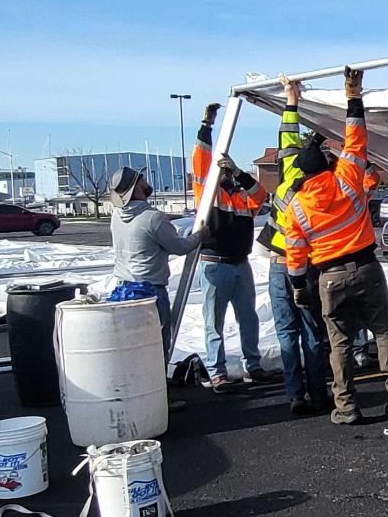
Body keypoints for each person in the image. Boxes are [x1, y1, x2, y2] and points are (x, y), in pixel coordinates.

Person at [281, 67, 388, 425]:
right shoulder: (347, 179)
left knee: (338, 343)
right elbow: (356, 140)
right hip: (367, 267)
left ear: (303, 176)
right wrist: (353, 95)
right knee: (382, 329)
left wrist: (298, 287)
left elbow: (295, 252)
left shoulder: (297, 207)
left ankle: (347, 406)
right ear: (326, 167)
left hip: (330, 277)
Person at [254, 76, 332, 415]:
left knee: (287, 333)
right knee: (313, 331)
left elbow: (286, 139)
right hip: (305, 268)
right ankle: (318, 393)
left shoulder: (286, 182)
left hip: (277, 265)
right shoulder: (321, 197)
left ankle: (294, 395)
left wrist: (291, 100)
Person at [191, 102, 276, 393]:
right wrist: (207, 125)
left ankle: (253, 366)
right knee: (213, 323)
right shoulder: (207, 194)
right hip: (214, 264)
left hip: (240, 264)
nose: (224, 174)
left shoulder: (242, 199)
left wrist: (239, 172)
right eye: (223, 171)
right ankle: (218, 373)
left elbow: (261, 194)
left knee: (248, 318)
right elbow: (200, 161)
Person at [108, 165, 206, 357]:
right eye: (141, 179)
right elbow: (180, 247)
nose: (146, 181)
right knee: (156, 344)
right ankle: (157, 382)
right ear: (136, 188)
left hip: (123, 288)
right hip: (149, 290)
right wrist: (201, 234)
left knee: (134, 345)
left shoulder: (116, 216)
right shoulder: (153, 218)